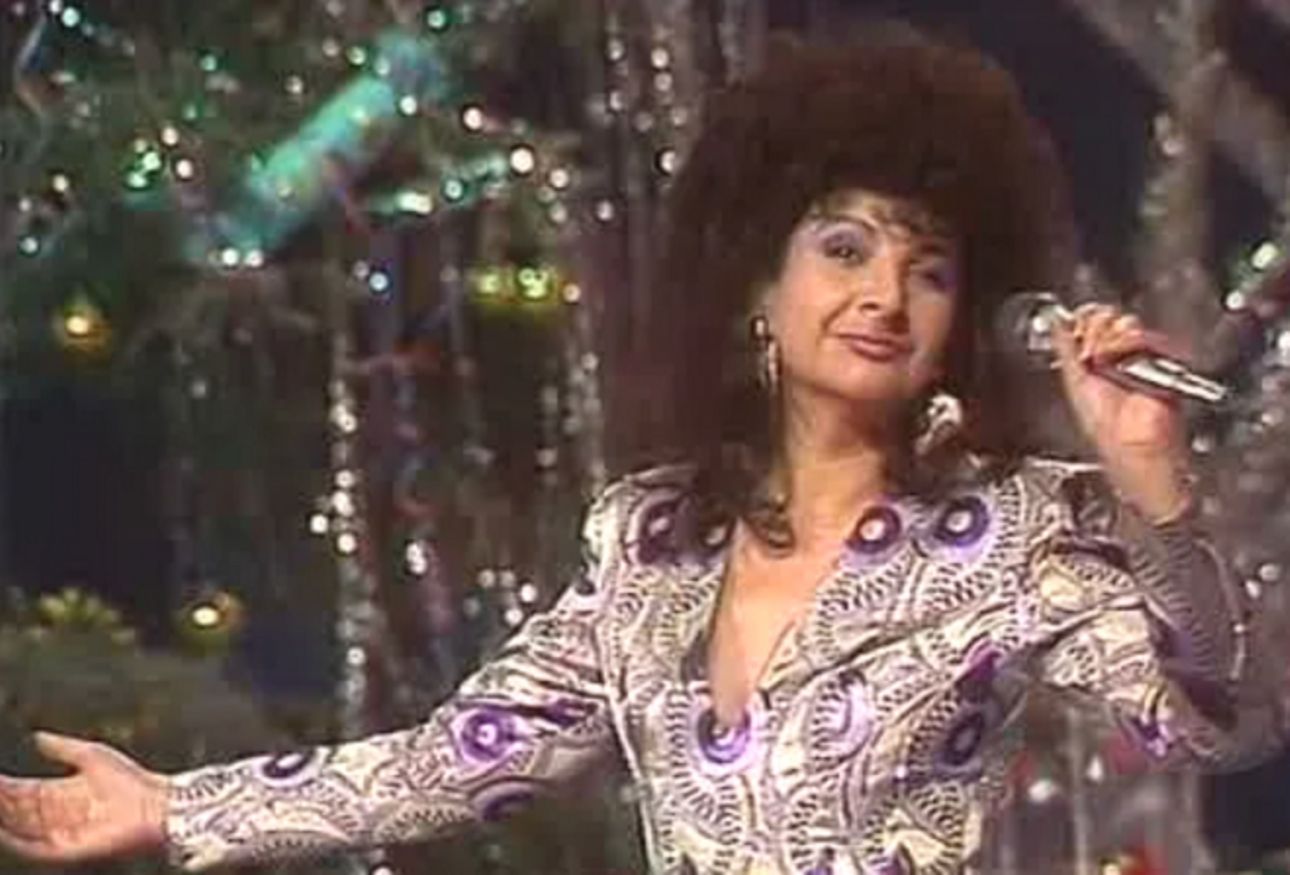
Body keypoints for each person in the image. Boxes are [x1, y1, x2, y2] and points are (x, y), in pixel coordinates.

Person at [0, 29, 1283, 875]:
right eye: (845, 248)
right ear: (759, 281)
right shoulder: (650, 542)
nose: (885, 295)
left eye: (930, 268)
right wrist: (176, 805)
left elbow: (1219, 721)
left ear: (961, 319)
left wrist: (1157, 494)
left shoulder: (1018, 528)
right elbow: (455, 757)